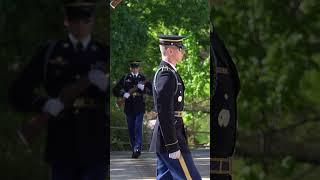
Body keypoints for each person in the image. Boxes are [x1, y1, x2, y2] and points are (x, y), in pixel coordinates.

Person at [8, 0, 109, 179]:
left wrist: (107, 87)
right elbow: (18, 92)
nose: (79, 25)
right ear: (66, 21)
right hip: (62, 144)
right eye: (75, 20)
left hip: (95, 143)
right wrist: (45, 104)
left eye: (84, 20)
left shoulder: (104, 53)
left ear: (91, 21)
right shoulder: (50, 52)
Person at [150, 35, 202, 179]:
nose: (183, 52)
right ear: (170, 51)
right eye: (180, 48)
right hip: (171, 139)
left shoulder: (170, 72)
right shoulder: (165, 75)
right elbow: (164, 112)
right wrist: (172, 144)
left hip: (168, 137)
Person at [112, 61, 152, 158]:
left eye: (136, 67)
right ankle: (134, 148)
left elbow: (151, 91)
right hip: (129, 106)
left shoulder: (142, 78)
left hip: (139, 106)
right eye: (133, 67)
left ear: (139, 68)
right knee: (131, 128)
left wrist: (144, 89)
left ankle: (137, 148)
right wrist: (123, 94)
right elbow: (115, 90)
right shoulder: (126, 78)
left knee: (138, 127)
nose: (135, 69)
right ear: (130, 68)